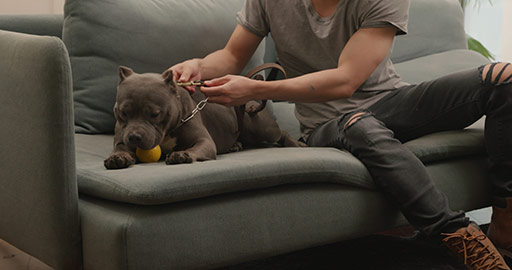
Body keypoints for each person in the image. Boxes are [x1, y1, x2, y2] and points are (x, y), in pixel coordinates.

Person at [167, 0, 512, 269]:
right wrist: (199, 65)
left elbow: (348, 79)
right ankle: (457, 237)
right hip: (328, 125)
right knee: (359, 122)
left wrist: (258, 91)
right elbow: (231, 55)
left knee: (503, 77)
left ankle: (505, 224)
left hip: (391, 101)